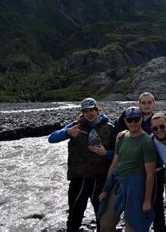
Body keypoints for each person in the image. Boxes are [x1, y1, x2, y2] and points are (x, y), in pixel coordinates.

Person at [48, 97, 115, 232]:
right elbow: (52, 138)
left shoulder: (110, 128)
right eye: (86, 111)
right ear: (82, 113)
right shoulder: (75, 126)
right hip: (79, 178)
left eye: (92, 110)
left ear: (97, 110)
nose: (89, 114)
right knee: (74, 215)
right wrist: (67, 132)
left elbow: (118, 154)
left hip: (100, 178)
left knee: (101, 215)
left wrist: (105, 153)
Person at [114, 92, 166, 232]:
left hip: (156, 170)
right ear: (139, 104)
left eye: (149, 102)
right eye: (143, 102)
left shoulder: (159, 120)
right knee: (136, 205)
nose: (146, 105)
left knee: (156, 206)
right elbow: (119, 135)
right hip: (135, 173)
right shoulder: (131, 117)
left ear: (154, 104)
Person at [99, 106, 156, 232]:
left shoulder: (146, 142)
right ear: (125, 121)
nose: (133, 123)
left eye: (136, 119)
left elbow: (150, 174)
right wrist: (106, 188)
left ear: (141, 119)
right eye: (130, 120)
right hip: (118, 183)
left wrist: (147, 200)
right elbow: (114, 163)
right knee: (105, 223)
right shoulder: (121, 137)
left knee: (134, 227)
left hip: (136, 186)